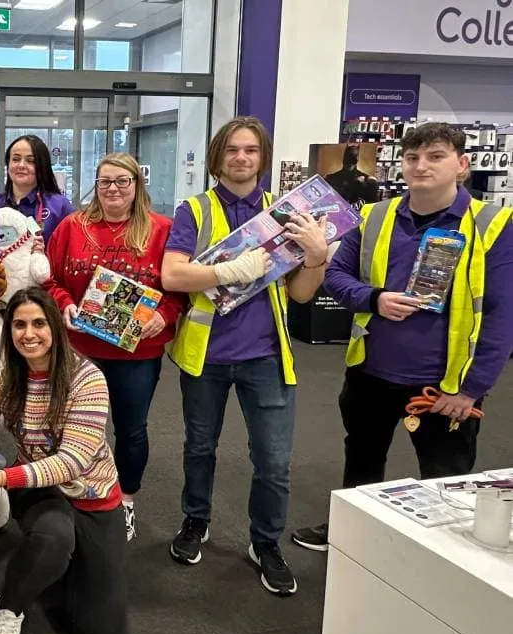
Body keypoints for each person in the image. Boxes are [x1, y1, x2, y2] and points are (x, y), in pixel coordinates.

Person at [291, 122, 513, 552]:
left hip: (443, 385)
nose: (420, 166)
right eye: (412, 158)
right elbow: (336, 276)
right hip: (370, 372)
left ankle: (445, 556)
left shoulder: (493, 225)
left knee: (446, 476)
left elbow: (502, 316)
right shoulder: (375, 216)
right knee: (362, 459)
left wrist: (470, 389)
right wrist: (374, 299)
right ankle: (349, 533)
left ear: (462, 165)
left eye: (435, 156)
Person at [161, 116, 329, 596]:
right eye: (232, 149)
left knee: (273, 462)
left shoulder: (288, 212)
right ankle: (196, 520)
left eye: (251, 150)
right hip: (206, 356)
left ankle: (265, 542)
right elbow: (173, 276)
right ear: (217, 156)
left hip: (266, 357)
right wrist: (232, 270)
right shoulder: (195, 210)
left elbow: (301, 293)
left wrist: (316, 256)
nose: (241, 158)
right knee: (199, 447)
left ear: (263, 157)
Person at [0, 287, 125, 634]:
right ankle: (8, 609)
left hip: (93, 495)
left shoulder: (87, 379)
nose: (28, 333)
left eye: (38, 323)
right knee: (53, 537)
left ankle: (62, 563)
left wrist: (1, 478)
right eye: (19, 325)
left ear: (55, 328)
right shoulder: (5, 380)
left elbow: (72, 462)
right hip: (37, 489)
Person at [42, 152, 183, 542]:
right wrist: (64, 303)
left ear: (137, 185)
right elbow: (48, 280)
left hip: (137, 354)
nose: (113, 189)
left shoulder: (162, 230)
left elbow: (179, 289)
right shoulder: (72, 227)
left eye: (123, 181)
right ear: (96, 185)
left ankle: (125, 501)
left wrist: (165, 315)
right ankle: (70, 494)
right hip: (79, 349)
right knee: (69, 426)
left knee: (131, 430)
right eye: (105, 181)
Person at [0, 134, 76, 245]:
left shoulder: (59, 206)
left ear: (42, 166)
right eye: (16, 159)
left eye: (31, 161)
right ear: (8, 163)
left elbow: (72, 248)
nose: (21, 165)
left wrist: (45, 251)